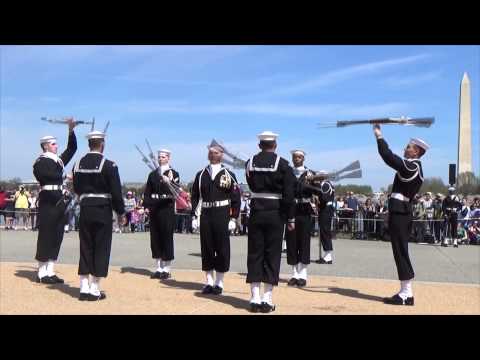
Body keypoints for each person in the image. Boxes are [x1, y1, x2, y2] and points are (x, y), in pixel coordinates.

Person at [373, 124, 429, 306]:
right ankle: (407, 292)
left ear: (416, 152)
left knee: (400, 251)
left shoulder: (411, 167)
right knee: (401, 250)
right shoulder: (415, 168)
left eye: (408, 147)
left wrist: (379, 135)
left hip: (401, 211)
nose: (405, 149)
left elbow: (387, 156)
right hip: (401, 210)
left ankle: (406, 294)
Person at [72, 128, 126, 301]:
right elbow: (116, 192)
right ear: (102, 144)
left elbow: (77, 189)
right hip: (102, 208)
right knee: (101, 247)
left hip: (85, 207)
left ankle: (83, 287)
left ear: (89, 144)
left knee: (85, 245)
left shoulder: (78, 164)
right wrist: (120, 212)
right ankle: (94, 288)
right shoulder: (109, 165)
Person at [244, 131, 295, 313]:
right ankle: (267, 298)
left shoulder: (249, 163)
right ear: (275, 145)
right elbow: (289, 196)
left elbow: (250, 185)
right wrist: (290, 217)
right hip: (276, 212)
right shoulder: (283, 165)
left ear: (260, 145)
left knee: (255, 253)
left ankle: (254, 297)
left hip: (257, 210)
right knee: (272, 254)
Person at [191, 141, 241, 295]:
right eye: (211, 152)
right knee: (207, 248)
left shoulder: (229, 175)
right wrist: (195, 215)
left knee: (222, 248)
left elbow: (236, 198)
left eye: (217, 152)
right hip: (206, 213)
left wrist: (233, 218)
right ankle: (209, 281)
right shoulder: (201, 175)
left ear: (222, 155)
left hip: (222, 214)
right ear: (208, 154)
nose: (214, 154)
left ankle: (219, 282)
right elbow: (195, 196)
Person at [33, 118, 77, 284]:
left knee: (57, 235)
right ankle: (41, 272)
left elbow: (72, 149)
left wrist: (71, 131)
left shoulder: (57, 161)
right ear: (45, 146)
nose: (56, 146)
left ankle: (50, 270)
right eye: (53, 144)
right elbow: (45, 175)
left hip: (59, 201)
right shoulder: (41, 161)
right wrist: (65, 175)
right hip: (48, 201)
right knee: (46, 235)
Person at [143, 149, 180, 280]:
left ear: (168, 158)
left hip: (166, 207)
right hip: (154, 207)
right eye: (159, 157)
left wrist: (168, 182)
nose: (160, 159)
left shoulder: (173, 173)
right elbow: (147, 191)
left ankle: (167, 268)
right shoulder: (152, 174)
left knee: (166, 237)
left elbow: (176, 191)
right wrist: (146, 206)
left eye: (163, 157)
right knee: (155, 237)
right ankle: (158, 267)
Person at [285, 149, 315, 287]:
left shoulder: (310, 174)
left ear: (303, 159)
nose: (297, 159)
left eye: (299, 157)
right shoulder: (288, 172)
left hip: (304, 209)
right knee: (291, 242)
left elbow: (317, 191)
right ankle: (294, 274)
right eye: (295, 157)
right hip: (291, 210)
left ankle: (303, 274)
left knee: (303, 241)